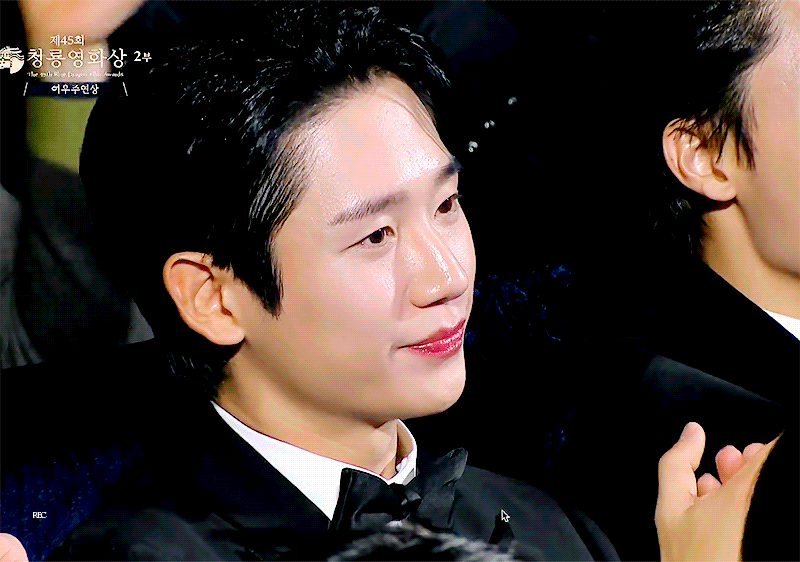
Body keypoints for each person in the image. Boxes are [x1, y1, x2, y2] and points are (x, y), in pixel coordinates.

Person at [48, 3, 769, 561]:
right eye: (376, 237)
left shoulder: (551, 522)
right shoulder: (142, 554)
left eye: (448, 205)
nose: (448, 277)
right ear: (212, 297)